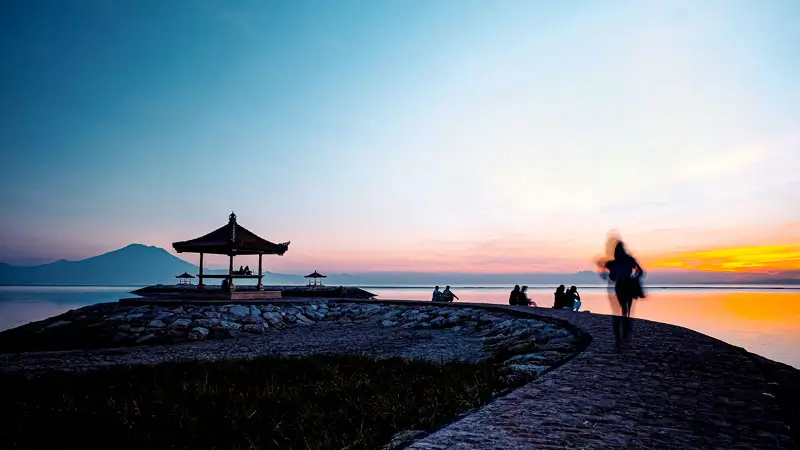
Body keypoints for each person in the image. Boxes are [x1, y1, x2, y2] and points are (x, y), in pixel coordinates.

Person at [599, 239, 645, 350]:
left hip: (620, 286)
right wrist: (634, 277)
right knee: (627, 310)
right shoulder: (629, 260)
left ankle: (620, 338)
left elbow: (611, 277)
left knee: (620, 310)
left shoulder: (614, 262)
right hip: (628, 285)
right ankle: (625, 335)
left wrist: (608, 272)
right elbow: (640, 271)